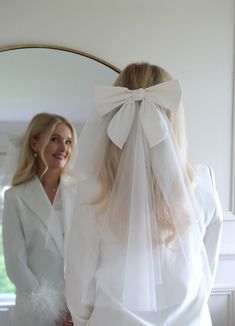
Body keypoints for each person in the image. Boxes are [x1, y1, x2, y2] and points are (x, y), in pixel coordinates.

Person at [65, 63, 223, 326]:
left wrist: (84, 321)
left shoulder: (92, 192)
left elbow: (80, 287)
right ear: (174, 119)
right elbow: (207, 268)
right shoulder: (204, 183)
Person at [2, 113, 78, 326]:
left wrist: (77, 307)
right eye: (55, 139)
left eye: (68, 141)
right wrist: (52, 310)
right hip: (36, 312)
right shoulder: (15, 197)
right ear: (35, 143)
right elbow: (15, 263)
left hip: (79, 310)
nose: (63, 147)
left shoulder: (81, 194)